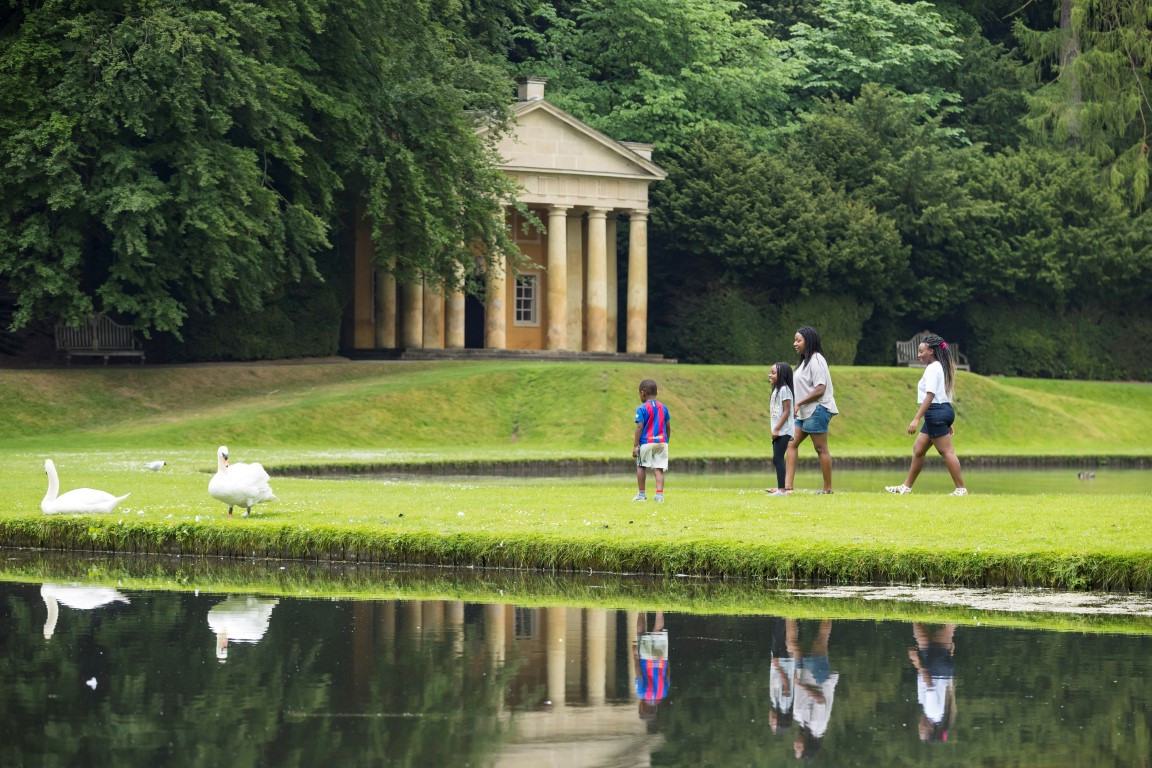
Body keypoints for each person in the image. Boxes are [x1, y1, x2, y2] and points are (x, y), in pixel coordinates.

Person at [884, 334, 968, 496]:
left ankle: (961, 489)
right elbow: (942, 394)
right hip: (942, 411)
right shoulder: (939, 367)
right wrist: (947, 421)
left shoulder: (932, 368)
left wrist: (916, 419)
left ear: (931, 351)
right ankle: (906, 487)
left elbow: (930, 395)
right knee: (919, 449)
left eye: (921, 351)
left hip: (935, 412)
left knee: (946, 452)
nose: (918, 355)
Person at [782, 327, 838, 495]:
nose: (795, 344)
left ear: (809, 341)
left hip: (818, 409)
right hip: (803, 411)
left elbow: (820, 389)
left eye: (798, 340)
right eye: (794, 340)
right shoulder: (803, 362)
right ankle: (787, 487)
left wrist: (799, 403)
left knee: (820, 448)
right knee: (791, 444)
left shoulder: (817, 359)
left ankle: (827, 489)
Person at [788, 619, 839, 759]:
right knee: (820, 640)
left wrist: (796, 681)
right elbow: (820, 700)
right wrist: (801, 685)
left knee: (791, 645)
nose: (795, 746)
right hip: (817, 678)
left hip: (802, 675)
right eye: (798, 749)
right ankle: (827, 608)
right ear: (807, 746)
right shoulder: (817, 727)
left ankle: (789, 611)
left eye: (795, 749)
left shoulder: (803, 725)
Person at [908, 623, 957, 742]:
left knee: (923, 633)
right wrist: (916, 662)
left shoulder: (937, 714)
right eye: (921, 730)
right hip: (935, 669)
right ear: (929, 728)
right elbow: (929, 684)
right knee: (947, 626)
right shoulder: (932, 712)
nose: (919, 726)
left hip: (941, 670)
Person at [633, 379, 671, 502]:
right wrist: (666, 441)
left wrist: (635, 445)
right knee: (659, 468)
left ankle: (641, 495)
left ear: (643, 393)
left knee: (641, 466)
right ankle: (659, 495)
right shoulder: (663, 408)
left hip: (646, 442)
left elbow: (639, 426)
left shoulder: (642, 408)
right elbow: (668, 426)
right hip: (662, 441)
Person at [634, 610, 669, 726]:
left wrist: (666, 661)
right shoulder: (641, 693)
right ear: (642, 707)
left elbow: (667, 676)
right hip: (644, 660)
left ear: (655, 709)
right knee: (640, 633)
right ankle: (641, 609)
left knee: (657, 631)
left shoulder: (663, 693)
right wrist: (635, 657)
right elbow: (638, 673)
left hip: (660, 660)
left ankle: (659, 609)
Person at [767, 363, 795, 495]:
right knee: (776, 458)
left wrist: (777, 429)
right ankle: (781, 488)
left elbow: (786, 411)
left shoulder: (784, 390)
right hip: (778, 430)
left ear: (782, 375)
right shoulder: (776, 390)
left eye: (773, 373)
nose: (770, 375)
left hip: (783, 430)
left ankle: (782, 490)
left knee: (778, 458)